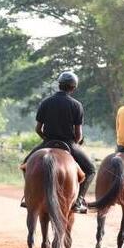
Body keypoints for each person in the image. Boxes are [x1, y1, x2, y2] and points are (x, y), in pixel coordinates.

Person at [21, 71, 96, 213]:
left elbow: (38, 129)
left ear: (59, 85)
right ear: (73, 87)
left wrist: (47, 140)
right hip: (69, 143)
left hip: (48, 141)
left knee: (25, 165)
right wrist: (75, 142)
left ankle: (28, 196)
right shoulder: (76, 105)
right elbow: (79, 134)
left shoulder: (46, 102)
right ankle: (79, 200)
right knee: (91, 169)